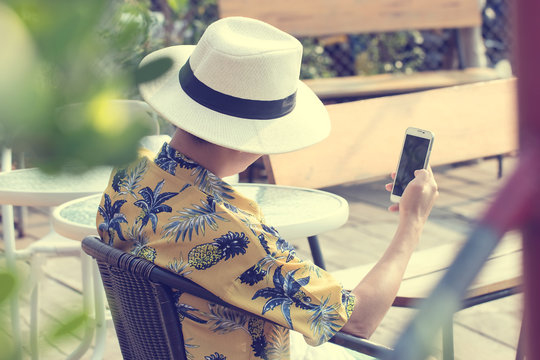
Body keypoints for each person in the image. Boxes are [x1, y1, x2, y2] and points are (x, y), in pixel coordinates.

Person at [96, 16, 438, 360]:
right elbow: (357, 321)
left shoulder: (129, 172)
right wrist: (412, 223)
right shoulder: (237, 239)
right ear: (249, 137)